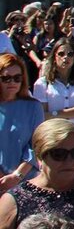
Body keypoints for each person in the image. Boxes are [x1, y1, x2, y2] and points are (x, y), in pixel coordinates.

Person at [31, 39, 74, 132]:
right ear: (54, 57)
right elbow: (43, 115)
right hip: (53, 134)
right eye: (61, 54)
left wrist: (54, 114)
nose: (66, 57)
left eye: (70, 54)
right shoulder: (42, 83)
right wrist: (69, 114)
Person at [0, 55, 41, 195]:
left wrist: (17, 176)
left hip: (26, 179)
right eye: (6, 78)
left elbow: (36, 146)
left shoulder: (34, 106)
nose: (12, 82)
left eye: (17, 78)